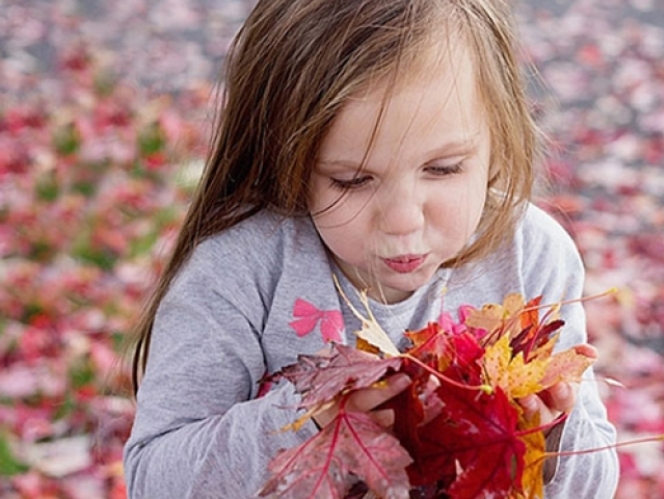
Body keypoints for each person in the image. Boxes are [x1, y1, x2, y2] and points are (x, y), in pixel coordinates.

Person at [124, 0, 619, 497]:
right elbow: (154, 479)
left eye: (443, 169)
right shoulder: (241, 271)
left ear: (498, 140)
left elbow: (593, 484)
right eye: (353, 180)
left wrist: (549, 434)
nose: (404, 219)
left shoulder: (531, 258)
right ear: (287, 160)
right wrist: (306, 422)